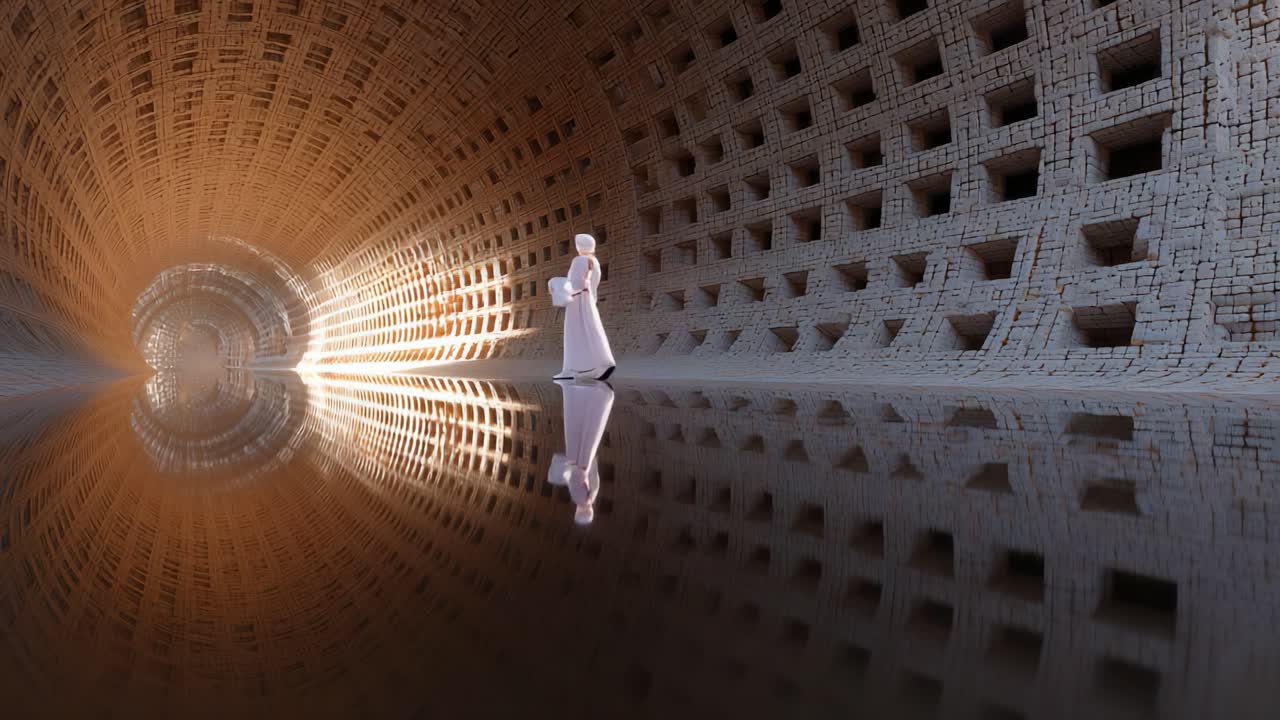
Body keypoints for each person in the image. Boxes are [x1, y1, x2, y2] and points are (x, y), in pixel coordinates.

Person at [546, 378, 614, 525]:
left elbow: (593, 477)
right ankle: (577, 391)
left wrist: (590, 461)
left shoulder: (589, 497)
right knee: (576, 428)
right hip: (577, 461)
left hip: (583, 461)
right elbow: (575, 478)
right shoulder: (579, 498)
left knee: (587, 429)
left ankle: (594, 393)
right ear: (579, 512)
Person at [555, 233, 616, 381]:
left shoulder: (579, 259)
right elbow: (593, 284)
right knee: (592, 331)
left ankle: (570, 370)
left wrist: (558, 287)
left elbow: (575, 283)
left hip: (577, 300)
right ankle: (602, 363)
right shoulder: (594, 261)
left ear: (579, 246)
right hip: (588, 299)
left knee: (573, 335)